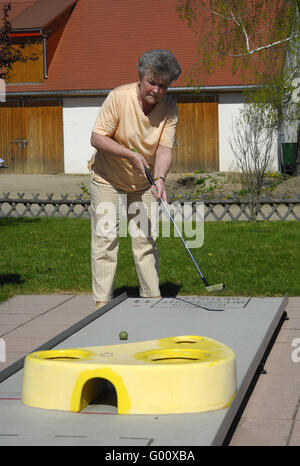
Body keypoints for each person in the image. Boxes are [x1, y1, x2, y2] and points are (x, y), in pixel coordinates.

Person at [89, 49, 181, 308]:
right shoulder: (119, 98)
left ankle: (152, 298)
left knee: (145, 238)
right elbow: (97, 138)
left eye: (163, 85)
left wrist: (160, 178)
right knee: (106, 238)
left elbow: (164, 149)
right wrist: (130, 155)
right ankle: (101, 303)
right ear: (141, 77)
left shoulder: (169, 108)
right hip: (107, 176)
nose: (156, 90)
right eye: (152, 82)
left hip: (144, 180)